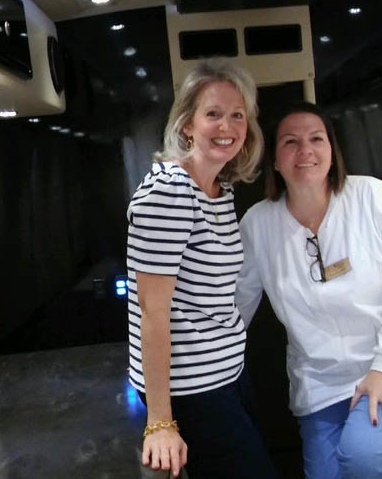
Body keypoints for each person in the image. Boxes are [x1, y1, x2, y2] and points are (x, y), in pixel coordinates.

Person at [235, 101, 382, 479]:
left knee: (361, 458)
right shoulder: (258, 224)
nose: (305, 150)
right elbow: (238, 302)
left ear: (332, 151)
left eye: (316, 139)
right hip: (323, 382)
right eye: (291, 142)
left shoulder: (373, 197)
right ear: (274, 159)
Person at [126, 59, 278, 479]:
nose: (226, 126)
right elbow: (151, 312)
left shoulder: (219, 190)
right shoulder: (169, 192)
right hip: (191, 390)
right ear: (187, 124)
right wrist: (160, 422)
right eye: (213, 113)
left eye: (237, 115)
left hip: (227, 375)